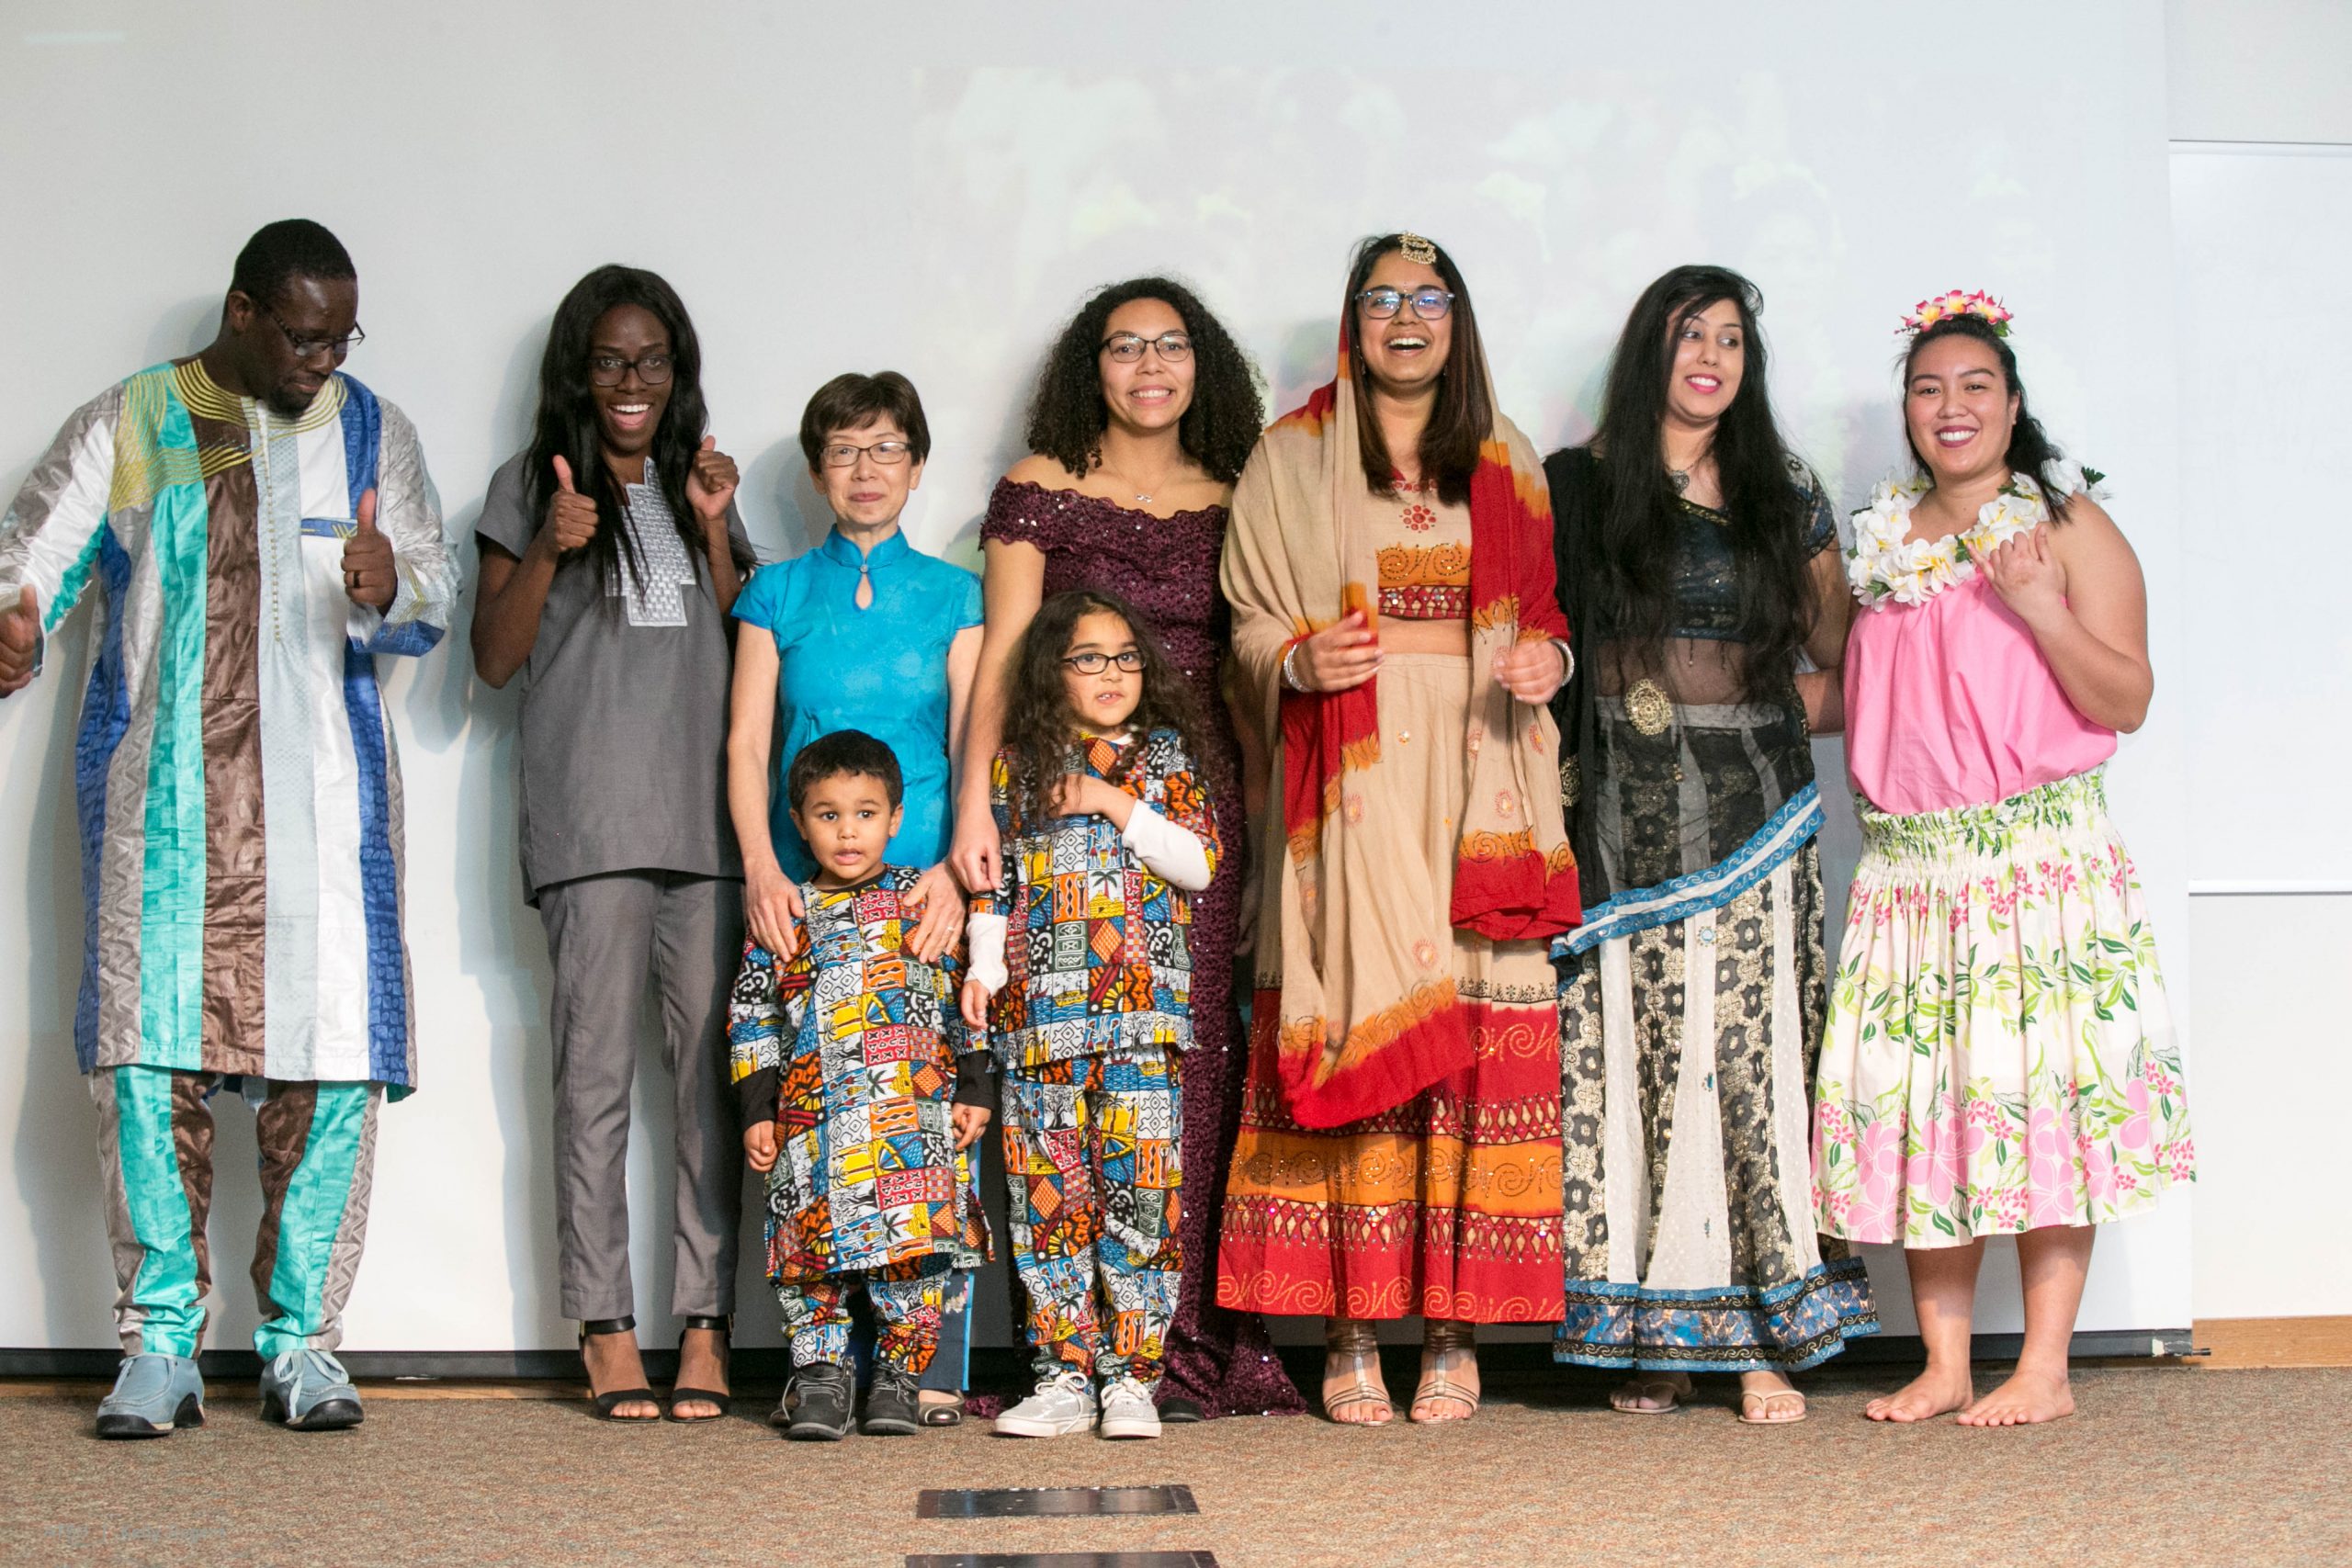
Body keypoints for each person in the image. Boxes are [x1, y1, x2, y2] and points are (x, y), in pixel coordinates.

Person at [0, 219, 456, 1436]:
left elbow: (431, 580)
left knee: (338, 1068)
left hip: (329, 817)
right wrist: (16, 616)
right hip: (165, 819)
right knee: (148, 1066)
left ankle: (305, 1345)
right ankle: (159, 1346)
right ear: (244, 311)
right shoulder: (135, 420)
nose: (323, 357)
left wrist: (389, 584)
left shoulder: (371, 430)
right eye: (303, 333)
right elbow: (33, 550)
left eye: (340, 334)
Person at [1812, 290, 2194, 1426]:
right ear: (1908, 413)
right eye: (1927, 389)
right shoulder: (1879, 538)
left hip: (2038, 863)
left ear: (2013, 403)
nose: (1951, 405)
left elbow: (2123, 695)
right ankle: (1940, 1362)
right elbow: (1855, 695)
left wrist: (2037, 605)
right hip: (1909, 872)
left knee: (2042, 1105)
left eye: (1975, 385)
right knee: (1928, 1105)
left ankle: (2043, 1368)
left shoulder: (2064, 526)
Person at [1216, 232, 1578, 1426]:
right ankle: (1351, 1329)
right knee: (1361, 1025)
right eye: (1383, 299)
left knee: (1466, 1052)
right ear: (1352, 320)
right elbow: (1248, 625)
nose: (1407, 318)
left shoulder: (1504, 455)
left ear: (1459, 321)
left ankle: (1456, 1332)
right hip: (1351, 792)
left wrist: (1551, 655)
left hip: (1479, 792)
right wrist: (1298, 656)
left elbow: (1550, 617)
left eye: (1430, 298)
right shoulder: (1293, 455)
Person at [951, 276, 1301, 1422]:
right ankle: (1068, 1357)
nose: (1149, 366)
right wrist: (971, 812)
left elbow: (1253, 677)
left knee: (1187, 1073)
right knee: (1060, 1087)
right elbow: (1005, 655)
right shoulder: (1041, 494)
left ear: (1201, 363)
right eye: (1122, 347)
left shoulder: (1242, 491)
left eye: (1171, 346)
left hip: (1195, 814)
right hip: (1054, 826)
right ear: (1086, 367)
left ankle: (1172, 1343)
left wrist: (1267, 835)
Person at [1544, 265, 1877, 1425]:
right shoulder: (1579, 488)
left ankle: (1752, 1339)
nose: (1712, 357)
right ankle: (1654, 1337)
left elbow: (1838, 646)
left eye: (1731, 340)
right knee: (1637, 1070)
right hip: (1621, 831)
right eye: (1691, 335)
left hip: (1757, 818)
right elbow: (1541, 644)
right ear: (1652, 350)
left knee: (1743, 1069)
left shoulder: (1780, 489)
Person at [471, 265, 754, 1422]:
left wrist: (714, 529)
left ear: (676, 371)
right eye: (610, 361)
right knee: (592, 1084)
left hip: (707, 829)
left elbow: (751, 645)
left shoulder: (704, 486)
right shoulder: (527, 484)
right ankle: (600, 1323)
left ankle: (703, 1325)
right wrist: (549, 544)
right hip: (590, 824)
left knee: (707, 1090)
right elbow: (492, 659)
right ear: (577, 374)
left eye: (651, 361)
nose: (632, 382)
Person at [728, 370, 981, 1420]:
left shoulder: (958, 593)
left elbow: (972, 743)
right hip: (806, 896)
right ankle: (821, 1362)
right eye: (844, 452)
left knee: (921, 1136)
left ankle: (905, 1369)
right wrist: (760, 867)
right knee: (819, 1131)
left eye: (886, 449)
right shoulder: (776, 592)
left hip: (923, 899)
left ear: (917, 465)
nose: (866, 471)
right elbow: (746, 742)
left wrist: (961, 875)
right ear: (817, 469)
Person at [960, 590, 1219, 1441]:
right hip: (1040, 1024)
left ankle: (1131, 1379)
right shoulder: (1016, 763)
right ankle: (1061, 1374)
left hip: (1145, 1022)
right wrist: (984, 965)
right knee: (1048, 1199)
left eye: (1125, 656)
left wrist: (1114, 803)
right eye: (1088, 657)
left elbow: (1199, 865)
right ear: (1052, 670)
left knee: (1142, 1198)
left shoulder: (1165, 756)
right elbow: (995, 882)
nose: (1111, 672)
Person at [728, 730, 993, 1440]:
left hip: (912, 1115)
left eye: (866, 812)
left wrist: (974, 1085)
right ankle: (820, 1375)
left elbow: (964, 995)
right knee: (808, 1252)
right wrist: (759, 1107)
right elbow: (751, 1013)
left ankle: (898, 1377)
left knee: (912, 1251)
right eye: (828, 814)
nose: (848, 831)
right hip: (812, 1118)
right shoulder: (783, 912)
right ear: (799, 819)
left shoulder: (924, 899)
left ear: (896, 817)